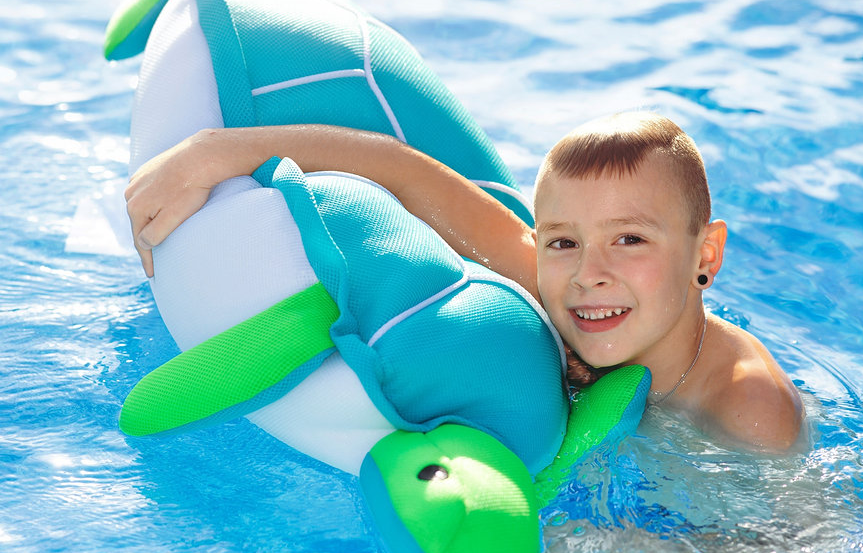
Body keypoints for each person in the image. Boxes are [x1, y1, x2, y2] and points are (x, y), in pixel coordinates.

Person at [125, 112, 804, 451]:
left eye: (630, 239)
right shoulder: (554, 285)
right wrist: (216, 153)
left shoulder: (748, 410)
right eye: (564, 242)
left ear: (704, 255)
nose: (590, 274)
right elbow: (403, 172)